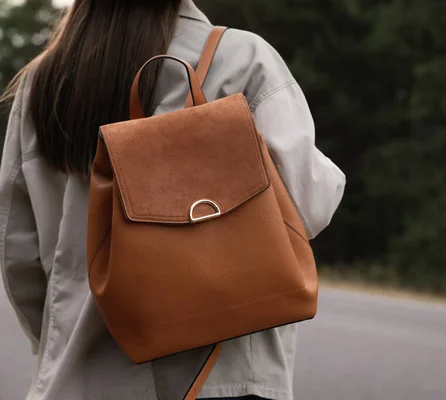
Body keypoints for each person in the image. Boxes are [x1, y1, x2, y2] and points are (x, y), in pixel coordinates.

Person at [0, 0, 345, 399]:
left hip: (81, 377)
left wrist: (58, 344)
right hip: (223, 377)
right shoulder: (242, 59)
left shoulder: (45, 80)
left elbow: (18, 253)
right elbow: (307, 206)